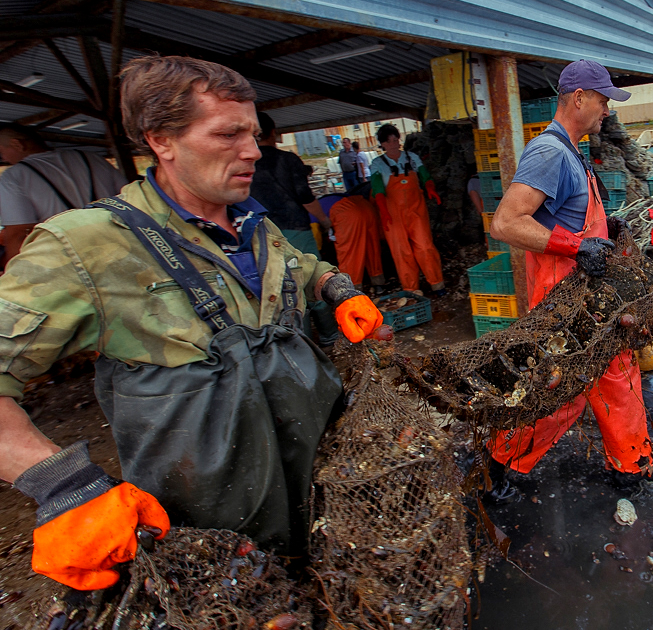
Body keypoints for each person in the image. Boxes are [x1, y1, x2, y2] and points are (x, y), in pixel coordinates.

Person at [0, 55, 384, 591]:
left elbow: (301, 265)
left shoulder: (252, 221)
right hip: (213, 528)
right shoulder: (85, 244)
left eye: (251, 133)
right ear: (161, 140)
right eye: (227, 134)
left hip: (322, 488)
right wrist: (62, 485)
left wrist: (338, 290)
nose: (252, 150)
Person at [488, 59, 653, 491]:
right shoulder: (549, 152)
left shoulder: (573, 152)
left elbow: (573, 217)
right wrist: (577, 246)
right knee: (559, 391)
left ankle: (631, 465)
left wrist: (608, 231)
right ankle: (501, 463)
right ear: (579, 98)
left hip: (590, 299)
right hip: (564, 304)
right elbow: (506, 223)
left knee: (612, 376)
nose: (607, 110)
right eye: (604, 100)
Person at [249, 112, 339, 347]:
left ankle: (303, 344)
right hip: (294, 229)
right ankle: (330, 336)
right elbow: (305, 196)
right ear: (272, 132)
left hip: (259, 235)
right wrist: (323, 219)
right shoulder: (287, 160)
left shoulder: (245, 164)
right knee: (310, 277)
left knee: (282, 289)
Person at [0, 123, 127, 261]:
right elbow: (128, 197)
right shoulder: (92, 158)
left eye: (1, 152)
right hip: (120, 245)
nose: (4, 159)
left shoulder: (14, 176)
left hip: (74, 257)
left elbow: (19, 234)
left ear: (17, 144)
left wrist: (14, 274)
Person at [369, 124, 445, 294]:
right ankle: (411, 289)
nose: (394, 144)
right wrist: (383, 211)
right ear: (383, 144)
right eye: (389, 142)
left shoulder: (412, 158)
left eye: (395, 140)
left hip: (416, 210)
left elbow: (425, 176)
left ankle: (437, 283)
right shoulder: (377, 164)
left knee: (425, 246)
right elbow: (377, 188)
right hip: (392, 213)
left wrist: (430, 187)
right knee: (401, 251)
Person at [329, 187, 385, 294]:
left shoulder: (313, 213)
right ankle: (378, 284)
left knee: (350, 252)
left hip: (346, 213)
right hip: (366, 207)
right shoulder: (338, 198)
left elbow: (321, 232)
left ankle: (352, 288)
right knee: (371, 248)